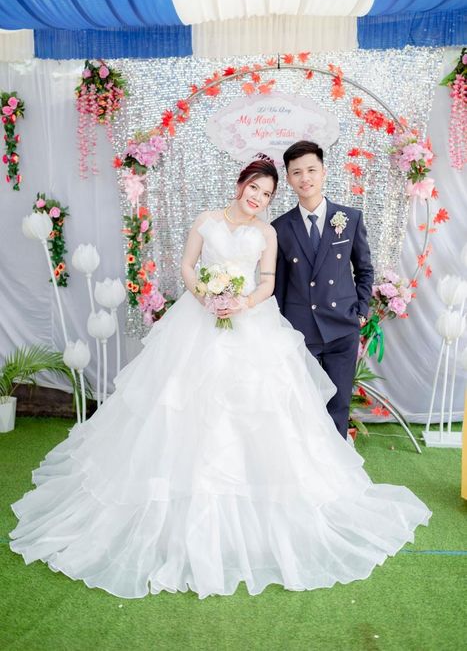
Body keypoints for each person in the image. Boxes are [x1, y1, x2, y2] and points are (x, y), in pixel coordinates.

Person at [10, 157, 430, 600]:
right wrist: (206, 296)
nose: (258, 198)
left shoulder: (268, 233)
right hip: (197, 320)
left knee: (261, 410)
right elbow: (188, 267)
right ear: (241, 184)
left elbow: (267, 282)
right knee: (180, 402)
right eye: (254, 188)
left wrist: (240, 303)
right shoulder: (206, 220)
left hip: (250, 321)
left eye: (267, 194)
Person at [272, 141, 374, 439]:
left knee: (339, 404)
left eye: (311, 170)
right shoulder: (280, 227)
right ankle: (304, 461)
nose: (305, 178)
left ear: (324, 172)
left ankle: (337, 463)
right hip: (300, 330)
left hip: (342, 326)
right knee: (301, 404)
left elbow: (364, 270)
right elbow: (278, 286)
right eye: (297, 172)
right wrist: (280, 328)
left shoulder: (350, 218)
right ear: (288, 178)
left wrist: (361, 312)